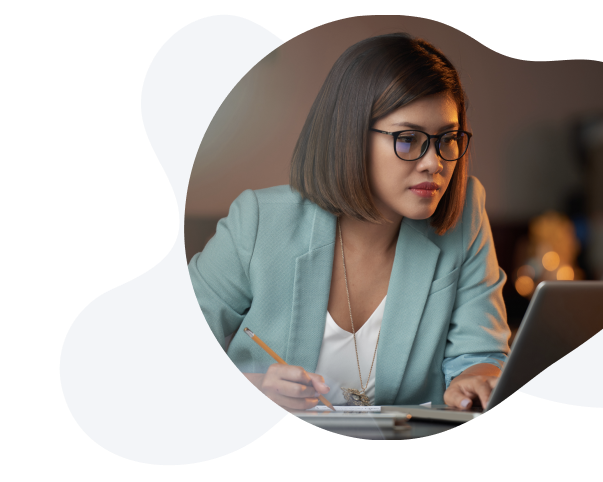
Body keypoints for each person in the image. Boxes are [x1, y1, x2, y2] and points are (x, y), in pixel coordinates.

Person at [188, 33, 510, 411]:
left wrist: (474, 382)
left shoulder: (466, 213)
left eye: (447, 139)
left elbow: (481, 354)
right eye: (408, 139)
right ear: (350, 135)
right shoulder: (259, 221)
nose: (434, 162)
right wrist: (251, 388)